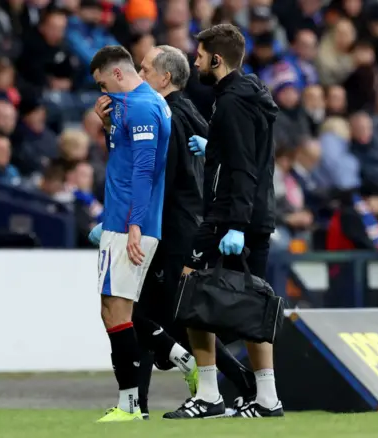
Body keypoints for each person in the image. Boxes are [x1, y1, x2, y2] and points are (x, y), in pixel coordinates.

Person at [105, 45, 257, 418]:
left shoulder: (166, 113)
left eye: (144, 69)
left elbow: (160, 175)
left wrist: (134, 220)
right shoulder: (190, 112)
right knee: (158, 312)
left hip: (169, 227)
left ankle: (220, 379)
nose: (139, 75)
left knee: (158, 312)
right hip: (187, 223)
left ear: (164, 77)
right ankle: (154, 390)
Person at [164, 24, 283, 419]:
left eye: (199, 56)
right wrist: (213, 143)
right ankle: (267, 399)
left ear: (216, 59)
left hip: (229, 216)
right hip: (256, 216)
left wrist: (234, 223)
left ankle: (210, 394)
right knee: (252, 304)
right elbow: (245, 151)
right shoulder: (251, 95)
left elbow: (244, 167)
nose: (195, 61)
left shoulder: (231, 102)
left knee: (191, 290)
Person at [86, 46, 172, 423]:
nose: (102, 90)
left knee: (117, 311)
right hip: (122, 219)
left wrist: (134, 225)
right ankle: (132, 400)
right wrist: (106, 127)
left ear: (116, 74)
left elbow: (144, 169)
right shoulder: (137, 104)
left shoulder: (140, 108)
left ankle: (131, 405)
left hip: (127, 223)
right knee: (112, 309)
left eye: (102, 81)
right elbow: (124, 157)